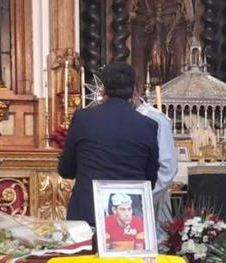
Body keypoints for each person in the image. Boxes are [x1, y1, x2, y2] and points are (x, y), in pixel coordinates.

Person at [58, 62, 160, 225]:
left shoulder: (83, 118)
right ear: (134, 90)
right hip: (131, 217)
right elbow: (151, 179)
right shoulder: (148, 125)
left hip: (88, 212)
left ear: (103, 89)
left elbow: (65, 169)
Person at [134, 88, 178, 243]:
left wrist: (143, 199)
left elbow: (167, 167)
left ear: (135, 94)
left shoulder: (156, 119)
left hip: (150, 200)